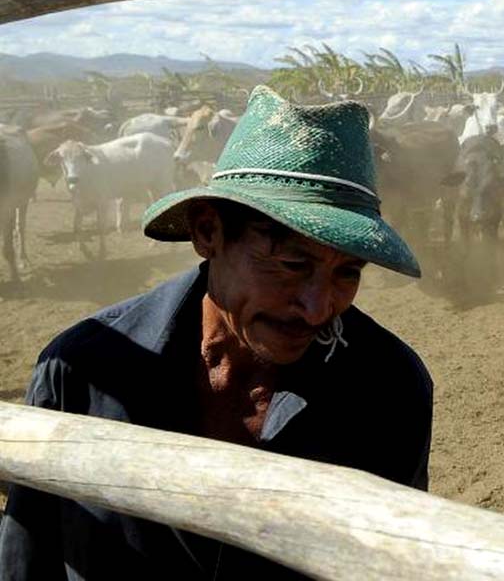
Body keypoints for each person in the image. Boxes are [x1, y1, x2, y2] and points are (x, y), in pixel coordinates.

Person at [0, 87, 433, 579]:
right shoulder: (80, 372)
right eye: (291, 264)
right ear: (208, 232)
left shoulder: (389, 388)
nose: (318, 308)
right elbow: (26, 563)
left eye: (347, 273)